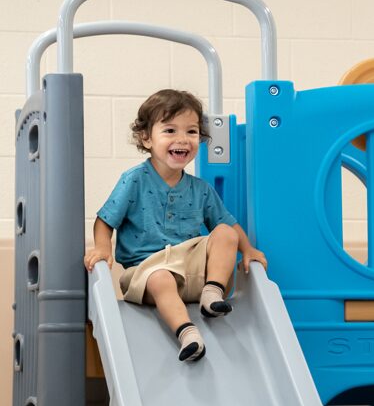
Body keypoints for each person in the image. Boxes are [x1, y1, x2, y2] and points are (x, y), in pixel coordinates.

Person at [84, 89, 267, 362]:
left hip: (194, 272)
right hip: (147, 272)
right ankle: (187, 333)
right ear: (146, 138)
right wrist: (102, 248)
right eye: (170, 130)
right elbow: (105, 219)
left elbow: (227, 223)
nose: (182, 139)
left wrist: (248, 249)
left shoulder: (200, 189)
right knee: (162, 278)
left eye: (191, 132)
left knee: (226, 233)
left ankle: (212, 293)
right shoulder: (134, 180)